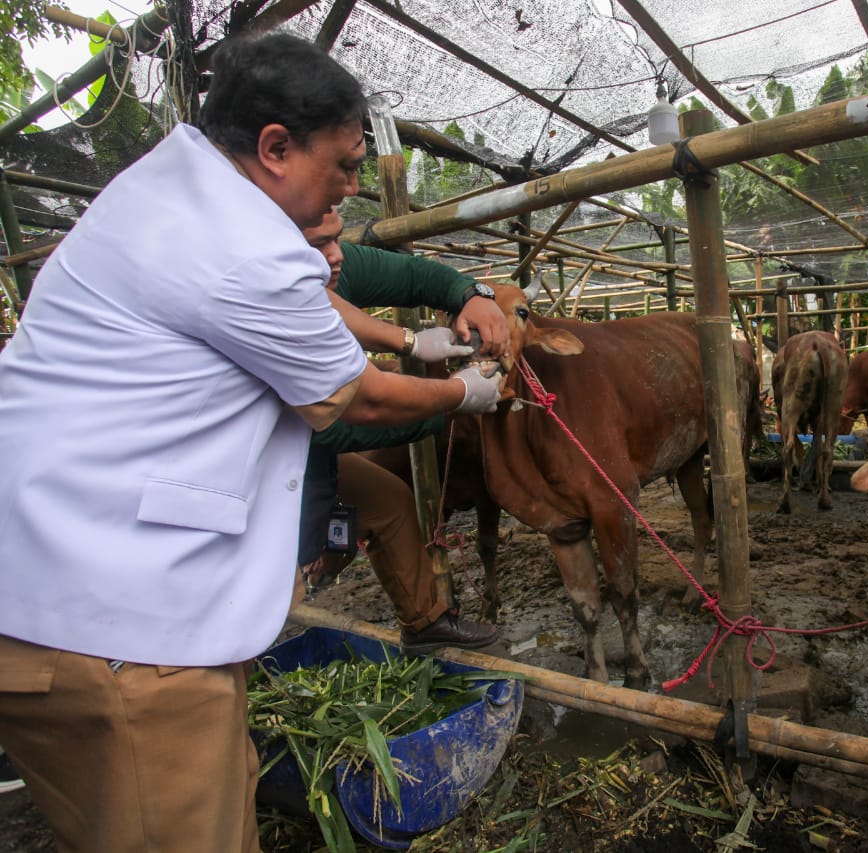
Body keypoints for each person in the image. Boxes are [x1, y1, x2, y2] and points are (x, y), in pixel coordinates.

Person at [0, 33, 503, 853]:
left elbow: (352, 306)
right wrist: (463, 393)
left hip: (55, 594)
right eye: (344, 164)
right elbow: (358, 398)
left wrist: (423, 332)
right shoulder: (246, 247)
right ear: (275, 149)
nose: (352, 185)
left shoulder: (170, 195)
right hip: (114, 629)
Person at [297, 208, 501, 654]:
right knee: (266, 582)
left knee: (388, 501)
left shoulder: (331, 267)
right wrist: (453, 400)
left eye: (336, 239)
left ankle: (424, 622)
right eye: (316, 244)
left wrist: (471, 294)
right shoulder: (271, 296)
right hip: (264, 464)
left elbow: (411, 274)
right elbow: (347, 418)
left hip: (307, 447)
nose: (335, 255)